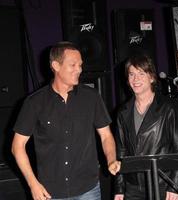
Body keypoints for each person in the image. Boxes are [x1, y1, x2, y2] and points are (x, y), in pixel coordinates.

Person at [11, 41, 121, 200]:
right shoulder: (34, 103)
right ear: (56, 65)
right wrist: (33, 184)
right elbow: (17, 146)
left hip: (88, 189)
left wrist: (111, 159)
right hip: (50, 192)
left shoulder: (91, 97)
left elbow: (106, 136)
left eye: (80, 65)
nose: (79, 69)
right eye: (73, 65)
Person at [114, 54, 178, 200]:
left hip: (162, 184)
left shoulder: (168, 108)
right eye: (131, 74)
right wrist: (119, 189)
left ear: (152, 77)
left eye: (141, 73)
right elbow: (120, 153)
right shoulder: (123, 112)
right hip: (133, 188)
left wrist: (175, 186)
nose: (135, 79)